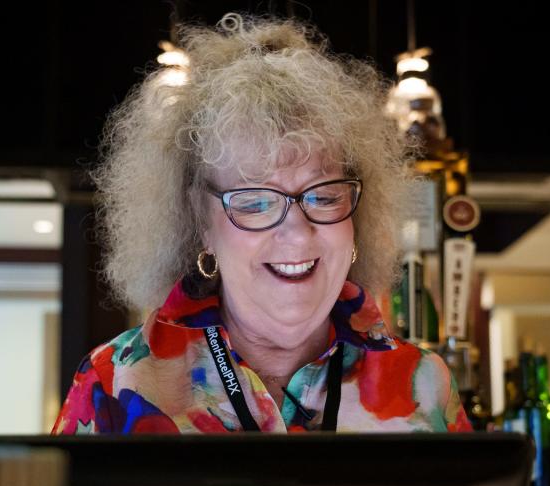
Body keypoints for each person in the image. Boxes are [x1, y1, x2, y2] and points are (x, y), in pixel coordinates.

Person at [52, 14, 470, 435]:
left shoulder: (427, 388)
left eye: (324, 197)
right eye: (254, 202)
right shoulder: (114, 384)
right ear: (200, 219)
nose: (297, 232)